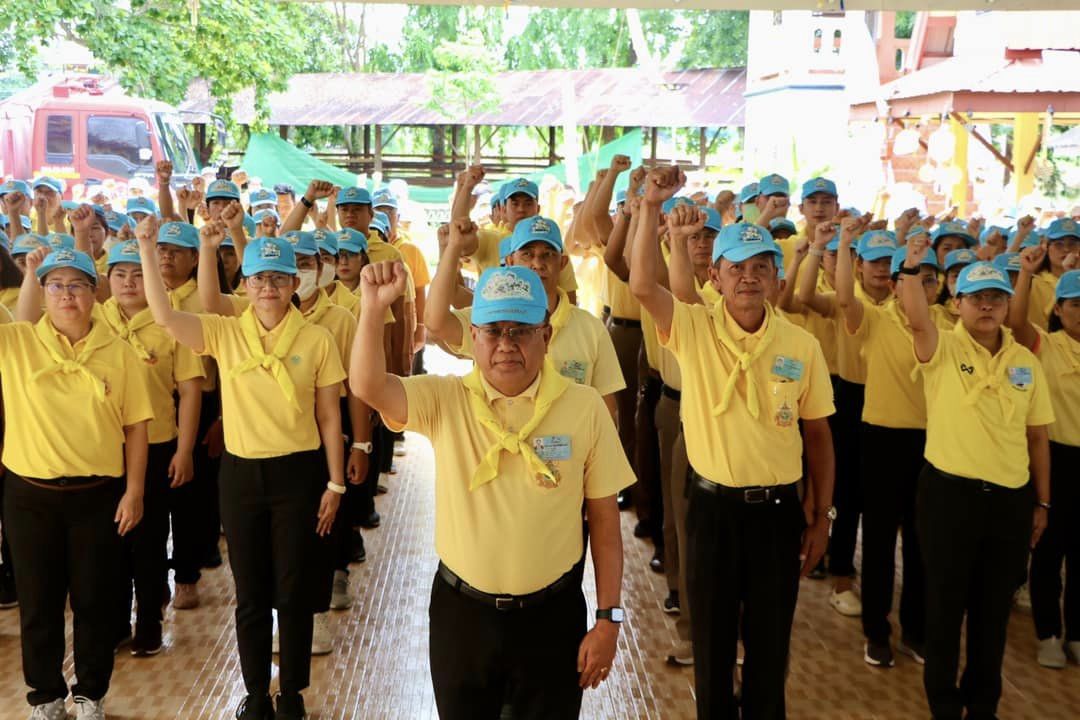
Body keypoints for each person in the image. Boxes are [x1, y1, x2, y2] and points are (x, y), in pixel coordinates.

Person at [352, 261, 632, 720]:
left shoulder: (584, 408)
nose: (506, 344)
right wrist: (371, 308)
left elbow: (604, 523)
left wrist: (608, 619)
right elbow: (368, 385)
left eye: (521, 331)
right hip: (462, 617)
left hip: (552, 617)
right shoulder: (446, 400)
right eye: (493, 331)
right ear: (473, 337)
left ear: (546, 335)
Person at [630, 166, 836, 719]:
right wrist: (650, 208)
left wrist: (822, 516)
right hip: (712, 512)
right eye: (736, 267)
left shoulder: (800, 345)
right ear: (715, 278)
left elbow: (818, 434)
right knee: (713, 649)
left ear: (776, 280)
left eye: (760, 267)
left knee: (770, 649)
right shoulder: (694, 329)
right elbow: (643, 285)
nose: (748, 277)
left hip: (777, 515)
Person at [138, 228, 347, 720]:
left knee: (293, 591)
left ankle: (291, 693)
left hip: (299, 474)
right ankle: (255, 694)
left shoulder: (317, 339)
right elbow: (165, 316)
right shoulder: (225, 332)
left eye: (278, 278)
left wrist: (336, 483)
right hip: (241, 476)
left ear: (294, 283)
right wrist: (147, 248)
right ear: (245, 285)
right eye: (258, 279)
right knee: (250, 593)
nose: (268, 288)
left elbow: (329, 416)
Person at [898, 232, 1053, 720]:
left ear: (1006, 306)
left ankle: (983, 705)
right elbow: (916, 316)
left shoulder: (1025, 361)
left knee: (992, 613)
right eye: (977, 297)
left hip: (1009, 501)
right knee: (945, 608)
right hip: (949, 497)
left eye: (996, 298)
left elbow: (1037, 438)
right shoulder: (940, 346)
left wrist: (1042, 502)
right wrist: (911, 267)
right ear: (957, 303)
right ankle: (943, 705)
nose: (987, 306)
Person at [2, 245, 151, 720]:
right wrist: (28, 272)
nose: (67, 295)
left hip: (98, 496)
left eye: (77, 286)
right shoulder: (16, 343)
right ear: (42, 292)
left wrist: (134, 491)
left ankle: (91, 692)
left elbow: (136, 426)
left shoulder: (119, 352)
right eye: (56, 286)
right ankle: (45, 696)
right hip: (30, 496)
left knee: (95, 600)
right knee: (38, 602)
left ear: (94, 293)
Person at [832, 218, 952, 667]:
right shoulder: (875, 320)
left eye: (929, 279)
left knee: (923, 543)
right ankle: (877, 631)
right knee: (881, 540)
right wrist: (845, 243)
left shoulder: (949, 326)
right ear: (896, 285)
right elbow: (844, 297)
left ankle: (916, 631)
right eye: (910, 278)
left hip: (933, 444)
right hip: (882, 440)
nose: (920, 286)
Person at [425, 215, 623, 417]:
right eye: (527, 254)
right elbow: (435, 324)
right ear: (510, 261)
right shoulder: (488, 321)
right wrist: (452, 249)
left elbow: (607, 408)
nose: (537, 264)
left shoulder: (591, 329)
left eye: (548, 255)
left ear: (562, 262)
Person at [1008, 251, 1080, 669]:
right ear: (1058, 309)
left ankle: (1077, 633)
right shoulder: (1045, 345)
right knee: (1049, 549)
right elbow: (1016, 321)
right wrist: (1026, 273)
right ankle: (1048, 633)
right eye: (1075, 304)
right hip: (1054, 458)